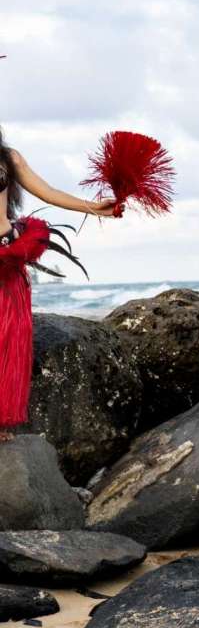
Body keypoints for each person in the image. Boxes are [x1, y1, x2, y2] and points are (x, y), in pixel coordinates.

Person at [0, 127, 114, 440]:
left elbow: (48, 192)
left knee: (11, 335)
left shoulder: (8, 158)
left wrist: (92, 207)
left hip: (7, 252)